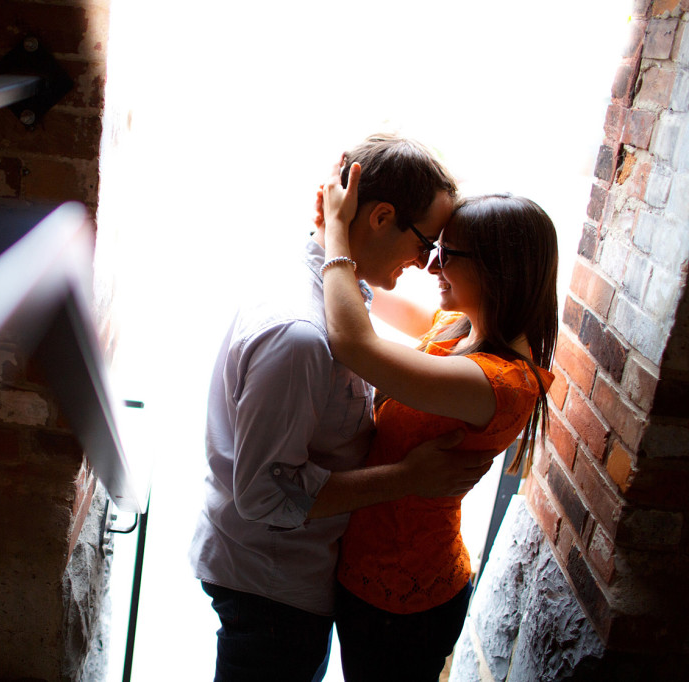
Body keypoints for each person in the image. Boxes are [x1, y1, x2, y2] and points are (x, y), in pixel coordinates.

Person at [189, 135, 498, 682]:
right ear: (382, 217)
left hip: (285, 580)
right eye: (428, 244)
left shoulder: (339, 287)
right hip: (271, 587)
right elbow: (264, 493)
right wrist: (408, 477)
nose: (428, 266)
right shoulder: (302, 335)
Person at [318, 162, 558, 681]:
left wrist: (335, 236)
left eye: (446, 255)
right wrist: (353, 240)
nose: (430, 267)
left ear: (498, 270)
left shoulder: (497, 383)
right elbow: (368, 298)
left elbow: (355, 343)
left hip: (404, 601)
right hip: (367, 579)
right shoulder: (459, 327)